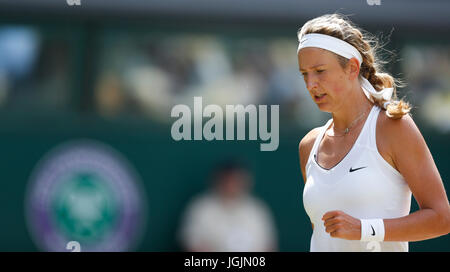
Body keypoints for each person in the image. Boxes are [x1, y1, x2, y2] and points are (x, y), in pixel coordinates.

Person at [297, 14, 450, 252]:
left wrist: (364, 229)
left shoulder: (394, 127)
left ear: (352, 68)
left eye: (319, 71)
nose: (311, 84)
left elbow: (441, 218)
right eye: (304, 74)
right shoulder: (309, 145)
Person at [179, 159, 277, 252]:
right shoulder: (201, 207)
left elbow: (270, 246)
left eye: (237, 179)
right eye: (228, 179)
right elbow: (192, 244)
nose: (232, 184)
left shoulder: (257, 208)